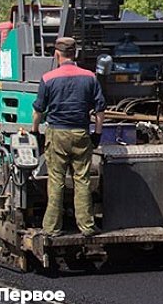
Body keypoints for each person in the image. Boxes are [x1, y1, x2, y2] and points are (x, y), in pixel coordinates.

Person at [31, 37, 106, 237]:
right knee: (82, 180)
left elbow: (38, 111)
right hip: (81, 133)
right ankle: (87, 226)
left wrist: (35, 131)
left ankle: (52, 228)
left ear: (57, 54)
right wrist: (97, 134)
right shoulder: (90, 77)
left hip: (57, 133)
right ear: (76, 54)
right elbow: (100, 111)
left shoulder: (48, 78)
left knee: (56, 180)